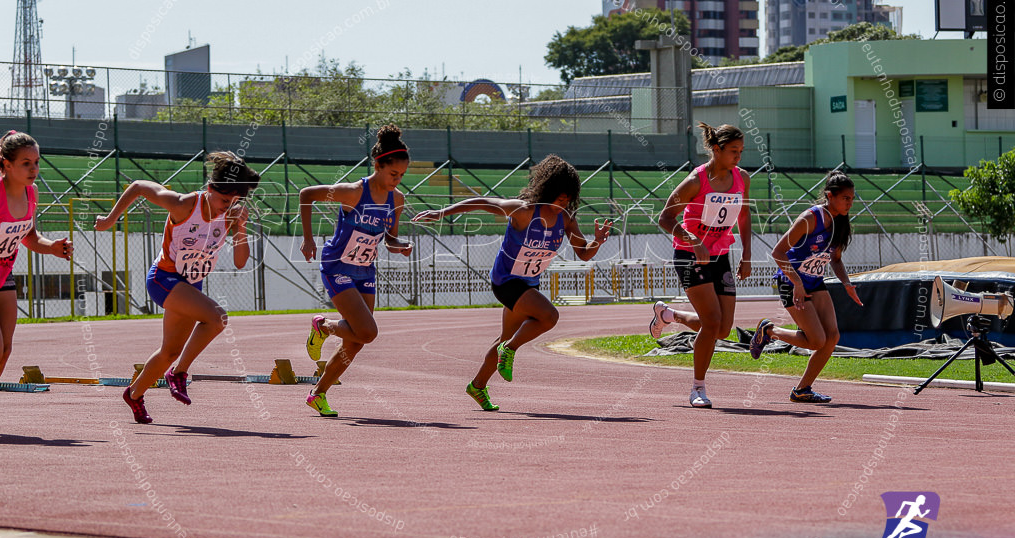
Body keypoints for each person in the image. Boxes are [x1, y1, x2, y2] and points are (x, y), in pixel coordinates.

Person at [412, 154, 612, 411]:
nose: (564, 201)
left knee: (506, 336)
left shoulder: (566, 219)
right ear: (547, 189)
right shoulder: (524, 211)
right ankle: (511, 349)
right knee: (549, 316)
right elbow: (483, 202)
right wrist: (443, 212)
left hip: (528, 284)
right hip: (506, 280)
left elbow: (583, 253)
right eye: (559, 196)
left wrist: (597, 241)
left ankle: (478, 386)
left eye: (568, 197)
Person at [95, 152, 259, 424]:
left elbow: (241, 263)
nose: (226, 207)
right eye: (223, 200)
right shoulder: (183, 205)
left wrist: (240, 227)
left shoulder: (230, 215)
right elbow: (137, 186)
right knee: (217, 318)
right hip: (164, 279)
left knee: (169, 351)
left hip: (190, 285)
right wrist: (112, 219)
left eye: (233, 202)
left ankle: (134, 394)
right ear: (209, 190)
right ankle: (179, 373)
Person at [301, 124, 413, 418]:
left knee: (357, 341)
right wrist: (309, 238)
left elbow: (389, 238)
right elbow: (306, 194)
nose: (397, 181)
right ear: (378, 165)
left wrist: (400, 245)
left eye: (401, 176)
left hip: (365, 270)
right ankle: (324, 327)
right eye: (393, 174)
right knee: (368, 332)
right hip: (338, 265)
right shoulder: (352, 192)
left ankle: (317, 394)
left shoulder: (396, 200)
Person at [649, 122, 751, 409]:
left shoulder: (742, 178)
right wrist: (693, 239)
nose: (738, 157)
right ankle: (697, 387)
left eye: (741, 151)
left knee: (723, 329)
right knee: (712, 322)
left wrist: (747, 255)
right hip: (690, 255)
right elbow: (666, 219)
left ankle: (670, 315)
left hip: (721, 255)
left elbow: (743, 216)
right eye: (733, 151)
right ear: (716, 149)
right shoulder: (696, 180)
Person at [749, 170, 861, 403]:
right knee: (817, 341)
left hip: (815, 282)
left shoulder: (840, 223)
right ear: (830, 196)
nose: (850, 203)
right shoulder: (810, 219)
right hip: (792, 282)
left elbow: (836, 259)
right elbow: (778, 252)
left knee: (832, 337)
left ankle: (802, 390)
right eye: (846, 198)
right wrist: (797, 283)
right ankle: (768, 331)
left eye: (852, 198)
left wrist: (847, 284)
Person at [0, 131, 73, 434]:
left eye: (36, 162)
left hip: (2, 276)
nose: (33, 169)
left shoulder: (31, 193)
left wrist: (52, 246)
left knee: (5, 351)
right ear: (7, 164)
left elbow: (30, 236)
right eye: (26, 163)